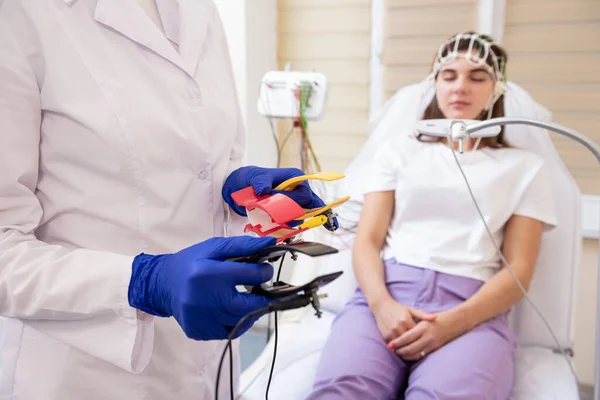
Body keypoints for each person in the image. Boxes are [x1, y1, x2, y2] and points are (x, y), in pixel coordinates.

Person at [0, 1, 335, 399]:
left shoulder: (200, 11)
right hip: (83, 375)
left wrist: (240, 190)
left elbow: (194, 160)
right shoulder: (19, 16)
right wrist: (142, 283)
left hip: (208, 361)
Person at [306, 32, 557, 400]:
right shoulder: (397, 152)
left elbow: (519, 270)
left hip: (471, 309)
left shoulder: (525, 168)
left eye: (477, 76)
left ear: (497, 89)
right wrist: (382, 306)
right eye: (449, 74)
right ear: (434, 83)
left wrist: (454, 323)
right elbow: (368, 241)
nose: (460, 87)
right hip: (386, 296)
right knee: (342, 392)